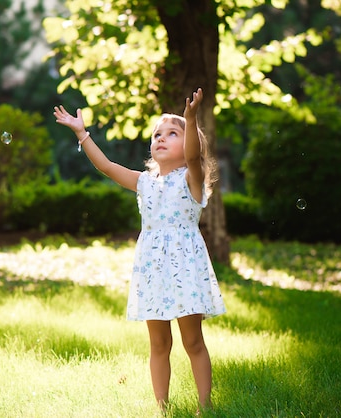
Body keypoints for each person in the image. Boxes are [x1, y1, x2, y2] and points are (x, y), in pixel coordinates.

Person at [53, 88, 226, 412]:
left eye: (172, 134)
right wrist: (82, 133)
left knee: (192, 341)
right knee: (159, 343)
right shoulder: (144, 181)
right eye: (157, 134)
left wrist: (189, 118)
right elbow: (105, 166)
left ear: (191, 143)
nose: (161, 138)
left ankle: (207, 407)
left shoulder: (192, 177)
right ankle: (162, 407)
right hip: (152, 270)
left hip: (185, 268)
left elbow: (191, 156)